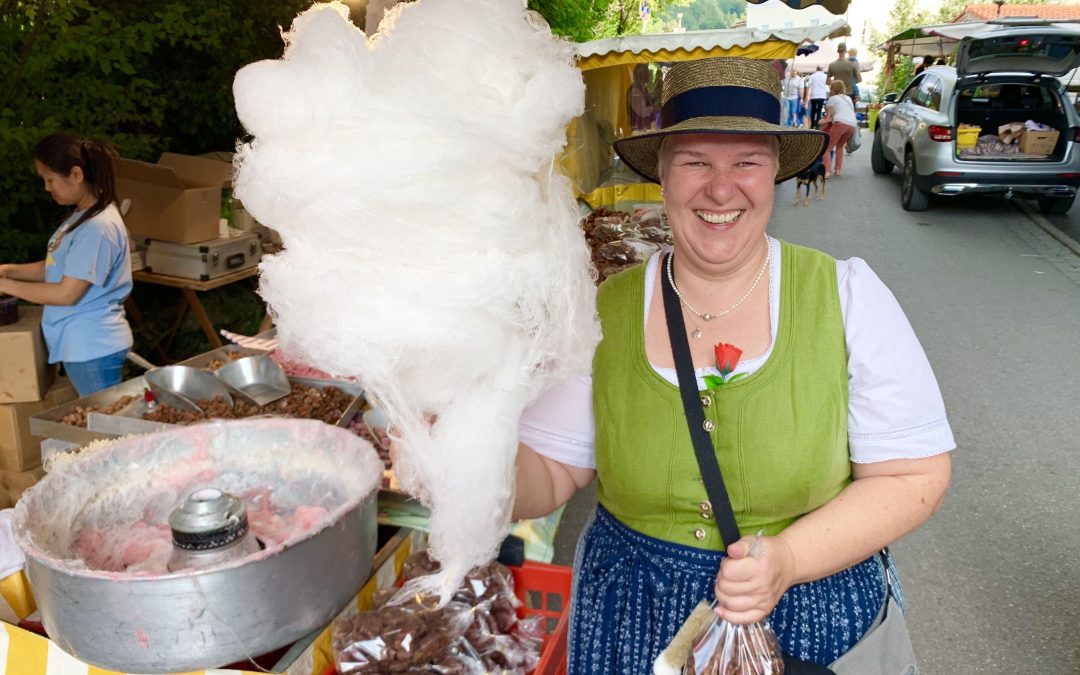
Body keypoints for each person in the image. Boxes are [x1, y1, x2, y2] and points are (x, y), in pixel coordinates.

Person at [511, 57, 953, 673]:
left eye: (746, 162)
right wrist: (447, 443)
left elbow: (913, 477)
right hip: (630, 625)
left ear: (774, 172)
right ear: (660, 174)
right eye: (695, 162)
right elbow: (550, 474)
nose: (721, 189)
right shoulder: (601, 309)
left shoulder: (848, 296)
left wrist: (789, 560)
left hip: (809, 620)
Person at [0, 133, 133, 397]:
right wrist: (8, 270)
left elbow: (66, 293)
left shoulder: (98, 227)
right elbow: (56, 268)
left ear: (76, 174)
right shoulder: (82, 215)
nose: (47, 188)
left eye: (49, 179)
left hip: (93, 348)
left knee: (106, 432)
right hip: (84, 347)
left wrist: (6, 285)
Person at [819, 79, 858, 178]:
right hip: (852, 125)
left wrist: (819, 122)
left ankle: (827, 172)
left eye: (830, 88)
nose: (829, 90)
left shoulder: (832, 99)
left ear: (833, 89)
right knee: (840, 147)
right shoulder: (848, 98)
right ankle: (838, 170)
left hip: (840, 123)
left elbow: (828, 119)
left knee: (827, 148)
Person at [628, 63, 659, 132]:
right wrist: (654, 108)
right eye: (647, 72)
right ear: (642, 74)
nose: (649, 75)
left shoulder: (644, 89)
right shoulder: (635, 89)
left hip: (645, 128)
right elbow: (641, 111)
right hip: (638, 130)